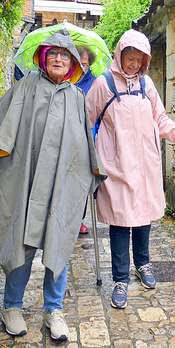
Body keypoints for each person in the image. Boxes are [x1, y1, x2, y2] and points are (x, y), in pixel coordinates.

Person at [0, 29, 106, 340]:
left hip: (60, 182)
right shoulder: (26, 86)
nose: (58, 58)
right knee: (21, 243)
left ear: (73, 64)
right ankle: (12, 306)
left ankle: (54, 310)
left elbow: (84, 143)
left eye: (64, 55)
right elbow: (3, 123)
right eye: (52, 53)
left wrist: (88, 175)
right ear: (42, 57)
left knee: (60, 241)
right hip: (24, 180)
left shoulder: (77, 97)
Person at [85, 29, 175, 309]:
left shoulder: (147, 85)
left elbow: (162, 120)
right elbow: (85, 121)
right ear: (119, 56)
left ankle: (143, 265)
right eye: (129, 58)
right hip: (116, 167)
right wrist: (87, 157)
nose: (133, 64)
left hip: (145, 166)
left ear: (145, 60)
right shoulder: (103, 84)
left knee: (143, 218)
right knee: (120, 222)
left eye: (138, 59)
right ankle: (120, 279)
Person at [75, 45, 98, 234]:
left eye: (85, 64)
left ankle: (79, 219)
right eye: (79, 64)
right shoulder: (67, 79)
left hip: (87, 137)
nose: (82, 68)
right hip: (66, 137)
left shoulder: (95, 83)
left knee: (81, 184)